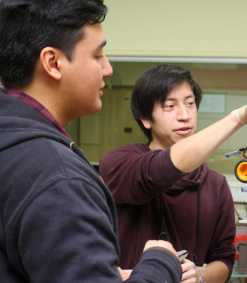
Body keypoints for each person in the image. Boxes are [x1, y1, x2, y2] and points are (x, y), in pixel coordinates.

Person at [0, 1, 183, 282]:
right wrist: (160, 263)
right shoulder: (57, 177)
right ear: (53, 63)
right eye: (98, 56)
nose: (107, 69)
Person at [99, 64, 247, 283]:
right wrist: (237, 118)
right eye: (170, 106)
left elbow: (224, 260)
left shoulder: (216, 185)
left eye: (190, 104)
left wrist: (200, 274)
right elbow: (157, 171)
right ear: (145, 119)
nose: (185, 115)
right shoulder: (118, 162)